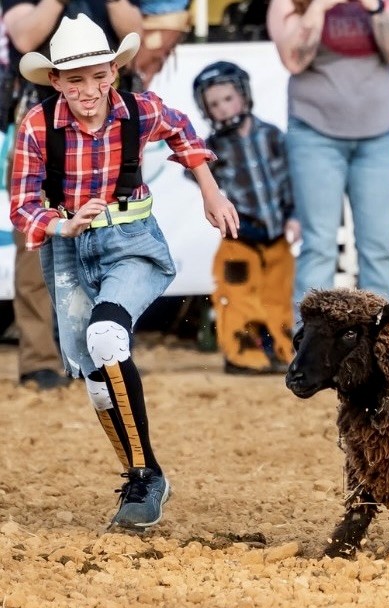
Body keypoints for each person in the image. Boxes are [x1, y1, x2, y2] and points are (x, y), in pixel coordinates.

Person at [9, 14, 239, 529]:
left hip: (132, 244)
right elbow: (22, 205)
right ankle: (142, 471)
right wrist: (60, 226)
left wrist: (209, 187)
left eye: (97, 76)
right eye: (74, 79)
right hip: (69, 249)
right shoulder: (37, 127)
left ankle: (145, 476)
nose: (88, 90)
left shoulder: (140, 111)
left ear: (114, 71)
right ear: (55, 81)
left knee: (108, 335)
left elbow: (181, 129)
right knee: (93, 371)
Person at [2, 0, 142, 390]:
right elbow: (25, 36)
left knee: (117, 244)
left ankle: (109, 355)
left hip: (110, 132)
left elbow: (137, 30)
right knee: (38, 251)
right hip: (44, 131)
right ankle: (39, 359)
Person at [266, 0, 389, 321]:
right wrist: (318, 7)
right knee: (318, 245)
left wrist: (374, 9)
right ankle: (308, 355)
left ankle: (387, 350)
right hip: (315, 134)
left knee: (377, 250)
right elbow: (293, 60)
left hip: (377, 136)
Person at [192, 60, 299, 374]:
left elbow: (290, 182)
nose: (223, 109)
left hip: (277, 234)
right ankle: (241, 354)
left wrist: (295, 216)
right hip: (239, 237)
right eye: (213, 104)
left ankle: (282, 350)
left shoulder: (273, 136)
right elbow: (197, 177)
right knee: (237, 296)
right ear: (205, 110)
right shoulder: (212, 147)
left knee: (277, 296)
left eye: (228, 99)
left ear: (244, 95)